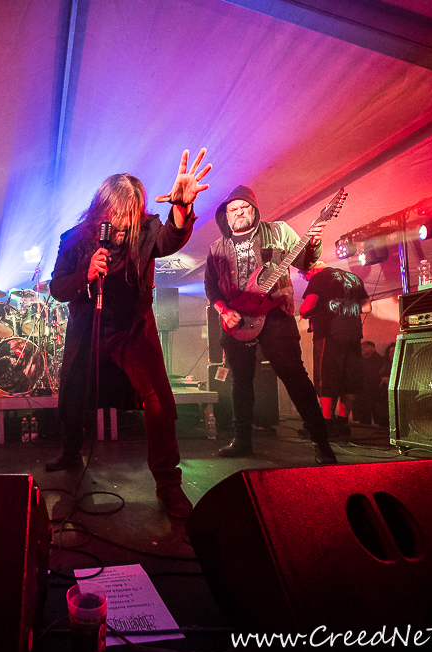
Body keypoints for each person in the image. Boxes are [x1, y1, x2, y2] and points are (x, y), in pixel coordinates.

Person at [46, 148, 212, 518]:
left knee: (158, 401)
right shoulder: (74, 239)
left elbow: (170, 239)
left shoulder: (147, 229)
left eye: (130, 212)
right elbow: (57, 288)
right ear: (100, 210)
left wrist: (182, 207)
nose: (123, 221)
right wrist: (86, 274)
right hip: (88, 328)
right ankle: (71, 452)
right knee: (73, 394)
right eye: (117, 213)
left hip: (132, 329)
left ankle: (168, 482)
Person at [204, 185, 336, 464]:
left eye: (244, 207)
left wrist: (313, 244)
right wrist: (223, 311)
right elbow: (211, 286)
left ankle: (321, 443)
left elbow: (305, 262)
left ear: (255, 209)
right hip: (236, 320)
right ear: (225, 215)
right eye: (233, 209)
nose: (239, 212)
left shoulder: (279, 231)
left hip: (275, 314)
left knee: (294, 376)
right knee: (240, 381)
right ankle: (241, 440)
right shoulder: (217, 247)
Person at [299, 261, 371, 437]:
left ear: (311, 269)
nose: (306, 280)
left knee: (327, 379)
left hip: (329, 334)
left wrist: (304, 312)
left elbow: (308, 306)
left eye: (305, 276)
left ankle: (327, 425)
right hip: (353, 334)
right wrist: (347, 309)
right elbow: (367, 307)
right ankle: (343, 424)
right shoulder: (355, 278)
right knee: (350, 380)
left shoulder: (319, 277)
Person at [352, 340, 386, 425]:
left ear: (373, 348)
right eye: (361, 347)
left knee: (378, 417)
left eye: (366, 346)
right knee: (363, 419)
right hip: (361, 393)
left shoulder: (380, 361)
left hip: (375, 392)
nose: (362, 348)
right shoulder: (357, 360)